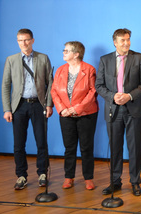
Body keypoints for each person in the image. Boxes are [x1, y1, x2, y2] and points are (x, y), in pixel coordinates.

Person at [95, 28, 141, 196]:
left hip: (134, 109)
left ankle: (135, 182)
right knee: (115, 148)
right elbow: (99, 85)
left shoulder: (138, 58)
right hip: (113, 110)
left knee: (134, 148)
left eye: (128, 40)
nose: (126, 43)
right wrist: (113, 97)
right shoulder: (104, 60)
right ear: (115, 42)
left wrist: (129, 96)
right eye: (122, 40)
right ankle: (115, 182)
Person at [1, 28, 53, 190]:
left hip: (39, 104)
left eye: (26, 40)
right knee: (18, 144)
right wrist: (7, 109)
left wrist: (49, 104)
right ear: (17, 42)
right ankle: (21, 175)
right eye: (20, 40)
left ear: (32, 40)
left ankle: (42, 174)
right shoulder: (11, 60)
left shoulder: (43, 58)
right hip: (19, 106)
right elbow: (5, 85)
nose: (23, 43)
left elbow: (50, 83)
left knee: (41, 141)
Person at [51, 41, 99, 190]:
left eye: (66, 50)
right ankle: (68, 177)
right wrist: (62, 109)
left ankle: (88, 178)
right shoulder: (60, 70)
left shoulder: (89, 69)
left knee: (86, 147)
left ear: (76, 54)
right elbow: (54, 91)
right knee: (69, 147)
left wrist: (75, 109)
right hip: (65, 114)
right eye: (64, 50)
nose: (63, 52)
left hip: (86, 114)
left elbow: (92, 92)